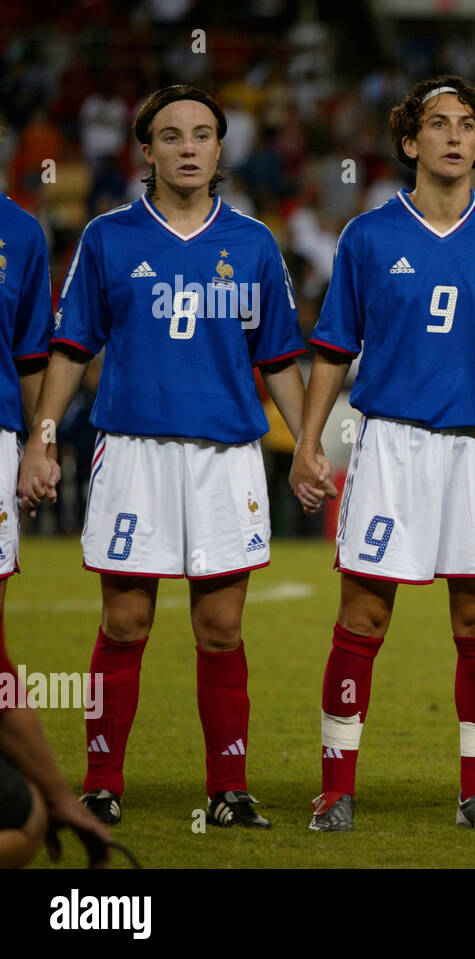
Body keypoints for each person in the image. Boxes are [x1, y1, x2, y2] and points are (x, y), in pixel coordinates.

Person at [17, 85, 307, 830]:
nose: (188, 147)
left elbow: (277, 357)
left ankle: (229, 787)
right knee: (124, 622)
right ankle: (103, 781)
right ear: (145, 150)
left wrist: (307, 443)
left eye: (203, 134)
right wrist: (42, 441)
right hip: (135, 451)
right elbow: (72, 347)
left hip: (226, 454)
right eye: (171, 135)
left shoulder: (251, 246)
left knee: (222, 629)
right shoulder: (110, 239)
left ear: (220, 149)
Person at [289, 76, 475, 834]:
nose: (454, 136)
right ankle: (335, 786)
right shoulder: (370, 237)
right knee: (364, 614)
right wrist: (309, 442)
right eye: (437, 124)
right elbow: (332, 347)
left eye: (468, 126)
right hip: (391, 448)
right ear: (409, 142)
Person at [0, 190, 112, 867]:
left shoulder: (19, 231)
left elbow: (30, 354)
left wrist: (38, 443)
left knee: (26, 817)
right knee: (27, 820)